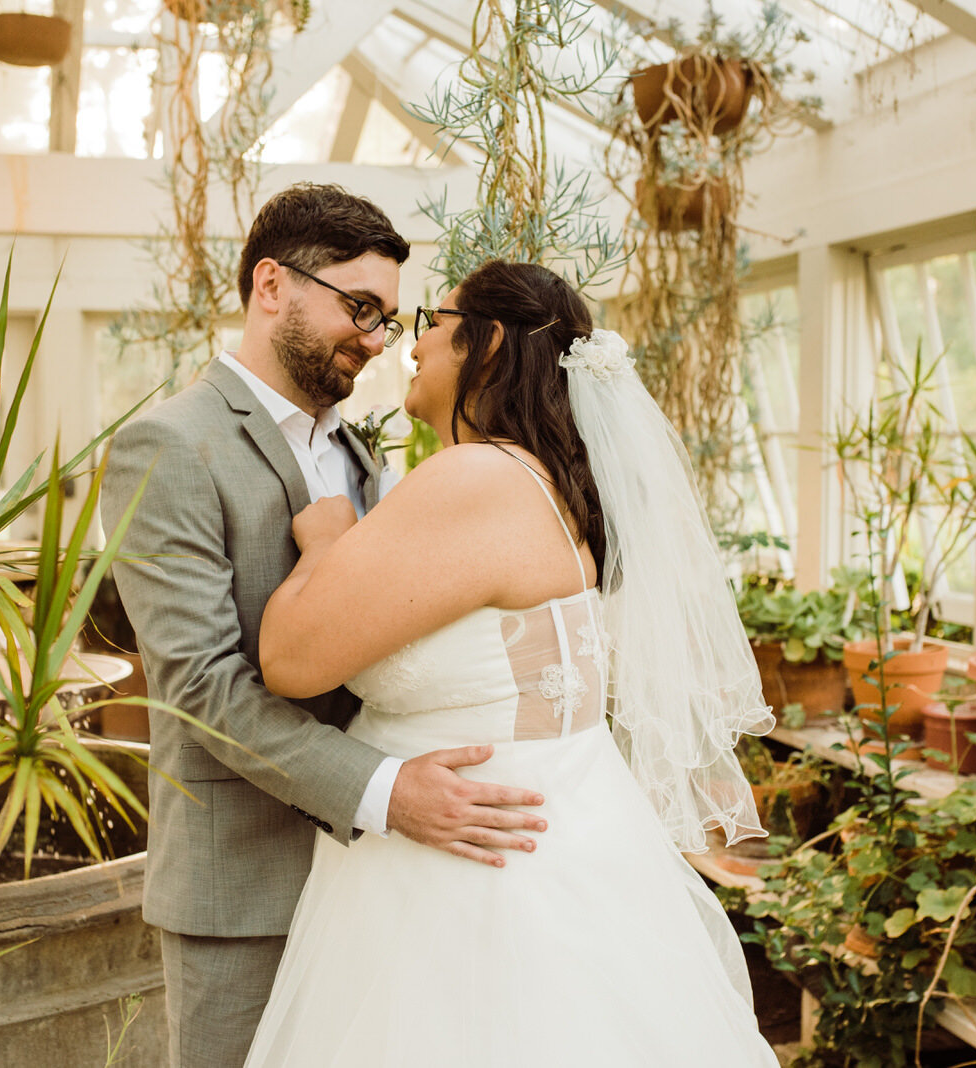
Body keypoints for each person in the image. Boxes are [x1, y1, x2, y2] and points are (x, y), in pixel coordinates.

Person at [243, 260, 780, 1066]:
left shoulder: (476, 478)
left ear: (486, 344)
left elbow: (288, 659)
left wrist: (324, 540)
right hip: (564, 841)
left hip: (469, 889)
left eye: (432, 317)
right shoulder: (555, 486)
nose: (411, 341)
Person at [100, 185, 549, 1068]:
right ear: (272, 285)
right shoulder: (166, 446)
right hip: (247, 892)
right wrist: (388, 792)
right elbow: (199, 692)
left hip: (383, 885)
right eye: (360, 308)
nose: (378, 341)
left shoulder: (360, 452)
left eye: (387, 318)